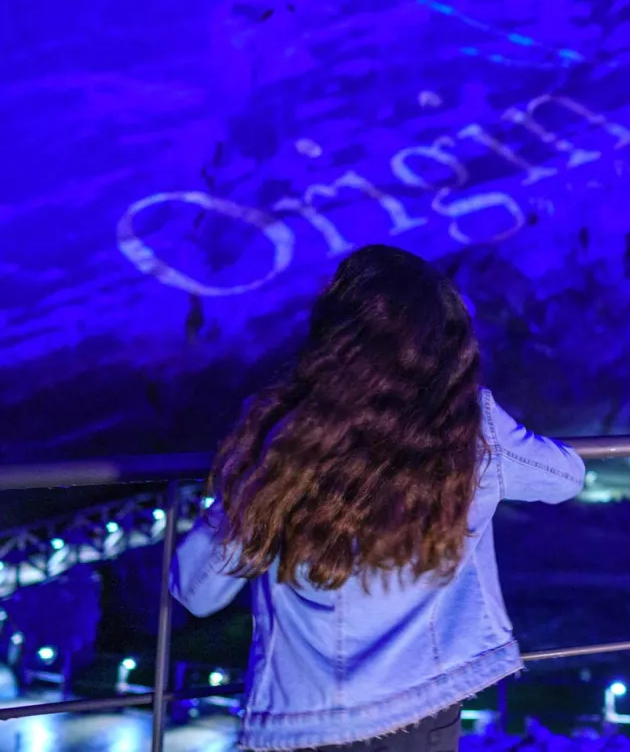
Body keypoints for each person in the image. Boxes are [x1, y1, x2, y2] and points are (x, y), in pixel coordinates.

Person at [170, 245, 585, 752]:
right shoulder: (471, 431)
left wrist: (248, 474)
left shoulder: (286, 437)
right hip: (426, 711)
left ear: (337, 335)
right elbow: (567, 478)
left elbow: (196, 591)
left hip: (311, 724)